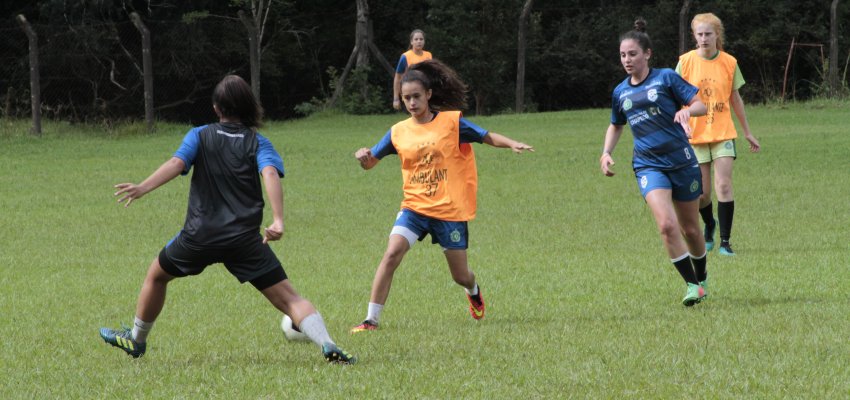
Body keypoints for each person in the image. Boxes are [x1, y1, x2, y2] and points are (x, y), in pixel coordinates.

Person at [99, 75, 356, 364]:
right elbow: (270, 173)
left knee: (156, 275)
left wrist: (142, 187)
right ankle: (328, 343)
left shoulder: (199, 135)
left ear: (216, 107)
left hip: (198, 237)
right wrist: (278, 220)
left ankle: (136, 339)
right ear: (249, 106)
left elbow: (177, 163)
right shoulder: (258, 142)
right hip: (244, 241)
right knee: (291, 299)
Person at [352, 60, 533, 333]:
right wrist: (363, 157)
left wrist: (511, 143)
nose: (412, 103)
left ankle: (473, 290)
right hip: (414, 207)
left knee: (460, 276)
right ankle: (370, 321)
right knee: (391, 254)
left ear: (428, 94)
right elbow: (370, 164)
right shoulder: (398, 132)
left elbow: (485, 136)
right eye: (406, 98)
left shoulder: (451, 123)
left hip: (449, 211)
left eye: (416, 96)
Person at [599, 19, 710, 306]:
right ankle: (692, 286)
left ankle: (702, 277)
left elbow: (700, 104)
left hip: (682, 162)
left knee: (690, 229)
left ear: (647, 54)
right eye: (623, 55)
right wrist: (606, 152)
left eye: (632, 54)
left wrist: (688, 112)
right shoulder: (620, 92)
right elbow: (616, 125)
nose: (627, 60)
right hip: (648, 165)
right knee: (666, 226)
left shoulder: (666, 78)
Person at [676, 12, 761, 256]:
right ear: (694, 36)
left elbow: (736, 99)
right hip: (695, 135)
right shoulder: (685, 62)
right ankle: (709, 224)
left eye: (708, 34)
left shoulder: (729, 62)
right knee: (702, 195)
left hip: (723, 133)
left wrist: (747, 132)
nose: (703, 38)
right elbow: (674, 96)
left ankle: (725, 242)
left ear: (717, 35)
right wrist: (681, 122)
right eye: (699, 34)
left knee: (723, 185)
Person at [392, 29, 432, 111]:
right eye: (416, 39)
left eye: (421, 39)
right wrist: (396, 98)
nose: (419, 41)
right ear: (411, 42)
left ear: (424, 41)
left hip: (425, 90)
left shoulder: (428, 55)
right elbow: (398, 77)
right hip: (412, 92)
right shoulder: (405, 56)